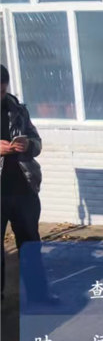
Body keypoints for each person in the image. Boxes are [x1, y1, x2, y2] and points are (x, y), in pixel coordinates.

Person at [1, 64, 52, 303]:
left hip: (23, 188)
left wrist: (29, 145)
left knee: (30, 244)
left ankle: (38, 296)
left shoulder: (18, 109)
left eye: (2, 91)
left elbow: (37, 142)